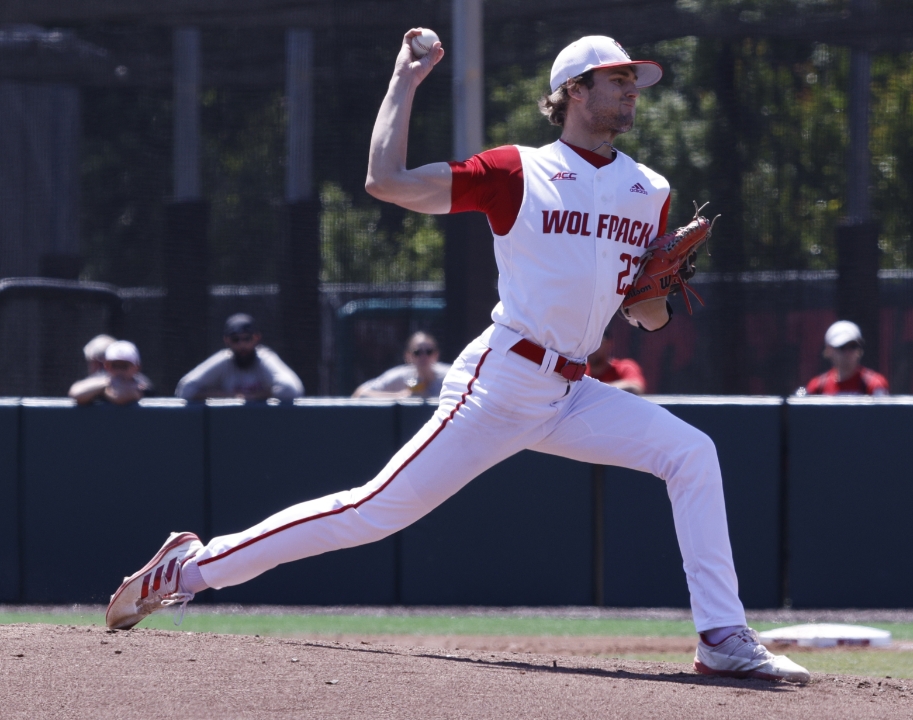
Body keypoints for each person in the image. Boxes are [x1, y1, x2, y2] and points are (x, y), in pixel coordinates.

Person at [106, 32, 809, 684]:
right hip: (499, 384)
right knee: (371, 512)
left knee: (692, 453)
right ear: (572, 91)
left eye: (635, 80)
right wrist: (404, 82)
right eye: (616, 78)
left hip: (573, 391)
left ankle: (721, 636)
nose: (631, 91)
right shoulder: (518, 170)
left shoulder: (649, 190)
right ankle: (189, 569)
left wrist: (660, 287)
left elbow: (644, 314)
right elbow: (387, 181)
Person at [174, 314, 304, 401]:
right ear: (227, 341)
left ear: (256, 338)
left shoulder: (265, 359)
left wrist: (254, 396)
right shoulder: (224, 360)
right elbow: (184, 389)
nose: (242, 345)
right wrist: (230, 396)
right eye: (236, 339)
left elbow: (290, 389)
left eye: (247, 338)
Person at [797, 320, 889, 396]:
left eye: (853, 346)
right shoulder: (817, 385)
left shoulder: (874, 383)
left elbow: (883, 415)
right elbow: (801, 395)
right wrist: (799, 393)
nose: (848, 352)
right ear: (828, 351)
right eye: (842, 347)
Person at [352, 331, 451, 399]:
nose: (423, 356)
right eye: (417, 352)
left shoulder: (450, 377)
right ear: (408, 356)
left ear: (436, 355)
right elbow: (359, 394)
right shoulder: (400, 376)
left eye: (429, 352)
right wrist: (400, 397)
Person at [68, 340, 150, 405]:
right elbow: (76, 393)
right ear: (106, 366)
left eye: (124, 366)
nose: (119, 370)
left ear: (136, 367)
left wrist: (103, 391)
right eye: (114, 365)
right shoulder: (103, 380)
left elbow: (120, 397)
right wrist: (107, 384)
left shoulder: (142, 385)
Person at [585, 328, 646, 394]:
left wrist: (595, 391)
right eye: (587, 342)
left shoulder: (624, 367)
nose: (591, 347)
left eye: (596, 342)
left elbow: (636, 387)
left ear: (608, 344)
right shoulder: (579, 372)